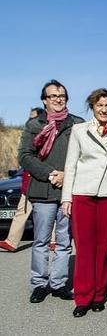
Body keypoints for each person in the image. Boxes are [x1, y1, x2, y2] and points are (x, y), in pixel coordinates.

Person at [60, 89, 107, 317]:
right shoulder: (79, 130)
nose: (104, 109)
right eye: (100, 105)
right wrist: (66, 197)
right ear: (93, 107)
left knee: (103, 248)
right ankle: (83, 297)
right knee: (84, 248)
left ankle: (99, 295)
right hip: (83, 194)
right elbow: (71, 165)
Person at [19, 79, 84, 303]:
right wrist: (50, 174)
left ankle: (58, 284)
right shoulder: (34, 125)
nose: (58, 99)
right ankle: (39, 283)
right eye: (53, 96)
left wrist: (66, 175)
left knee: (65, 241)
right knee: (41, 241)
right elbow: (25, 156)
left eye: (62, 96)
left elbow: (85, 156)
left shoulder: (77, 124)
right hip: (43, 191)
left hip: (68, 192)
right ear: (44, 100)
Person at [0, 108, 44, 253]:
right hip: (28, 182)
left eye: (32, 117)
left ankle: (54, 241)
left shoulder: (45, 134)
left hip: (44, 180)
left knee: (52, 211)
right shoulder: (29, 136)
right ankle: (11, 241)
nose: (29, 120)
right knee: (21, 211)